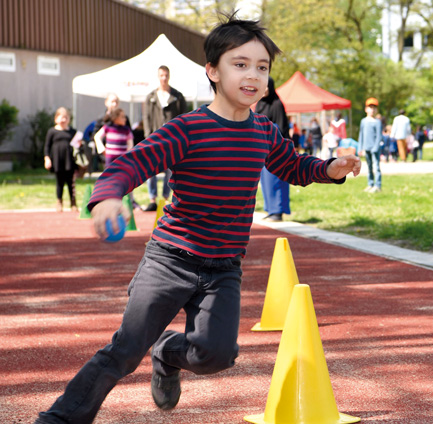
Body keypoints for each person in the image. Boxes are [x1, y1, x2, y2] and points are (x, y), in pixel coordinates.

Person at [34, 13, 361, 424]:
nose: (253, 75)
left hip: (224, 267)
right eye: (239, 64)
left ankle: (167, 351)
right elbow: (129, 166)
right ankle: (59, 418)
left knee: (216, 355)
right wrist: (106, 198)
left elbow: (292, 165)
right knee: (125, 349)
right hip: (170, 259)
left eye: (262, 67)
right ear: (213, 71)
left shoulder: (262, 131)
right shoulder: (187, 129)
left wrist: (327, 168)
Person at [142, 65, 187, 212]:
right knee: (151, 169)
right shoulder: (151, 97)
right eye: (161, 75)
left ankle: (166, 198)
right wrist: (148, 136)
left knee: (170, 169)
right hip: (155, 138)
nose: (164, 78)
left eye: (166, 75)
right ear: (158, 76)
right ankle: (152, 199)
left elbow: (184, 117)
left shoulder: (177, 96)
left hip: (172, 139)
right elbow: (146, 117)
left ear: (169, 76)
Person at [256, 76, 290, 222]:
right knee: (266, 181)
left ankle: (278, 211)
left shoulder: (277, 104)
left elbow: (282, 127)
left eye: (266, 86)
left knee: (277, 180)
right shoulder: (259, 104)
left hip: (276, 150)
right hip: (263, 150)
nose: (263, 90)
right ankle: (270, 209)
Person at [44, 107, 78, 213]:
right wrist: (47, 159)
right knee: (60, 182)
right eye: (61, 117)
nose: (63, 120)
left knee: (70, 182)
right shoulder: (52, 131)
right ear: (56, 119)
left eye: (66, 118)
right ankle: (59, 202)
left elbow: (77, 146)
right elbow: (47, 146)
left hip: (70, 160)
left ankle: (73, 203)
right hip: (58, 160)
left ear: (69, 119)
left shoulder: (73, 132)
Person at [358, 97, 382, 193]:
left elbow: (379, 137)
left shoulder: (377, 122)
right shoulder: (363, 121)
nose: (372, 110)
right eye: (370, 107)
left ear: (376, 110)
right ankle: (370, 184)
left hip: (374, 149)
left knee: (376, 167)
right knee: (369, 167)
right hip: (366, 148)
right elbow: (361, 135)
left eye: (374, 108)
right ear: (366, 109)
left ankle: (378, 185)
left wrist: (375, 148)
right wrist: (360, 148)